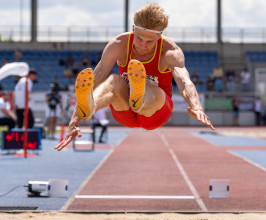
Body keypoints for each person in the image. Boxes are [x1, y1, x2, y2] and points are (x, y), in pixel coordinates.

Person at [55, 3, 214, 151]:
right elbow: (96, 79)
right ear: (133, 29)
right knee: (113, 81)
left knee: (149, 87)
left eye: (149, 42)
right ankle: (91, 106)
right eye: (139, 38)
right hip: (125, 109)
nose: (142, 45)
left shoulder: (170, 51)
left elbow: (184, 82)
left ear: (159, 37)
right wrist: (74, 121)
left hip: (156, 111)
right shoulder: (119, 44)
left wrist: (196, 106)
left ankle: (140, 92)